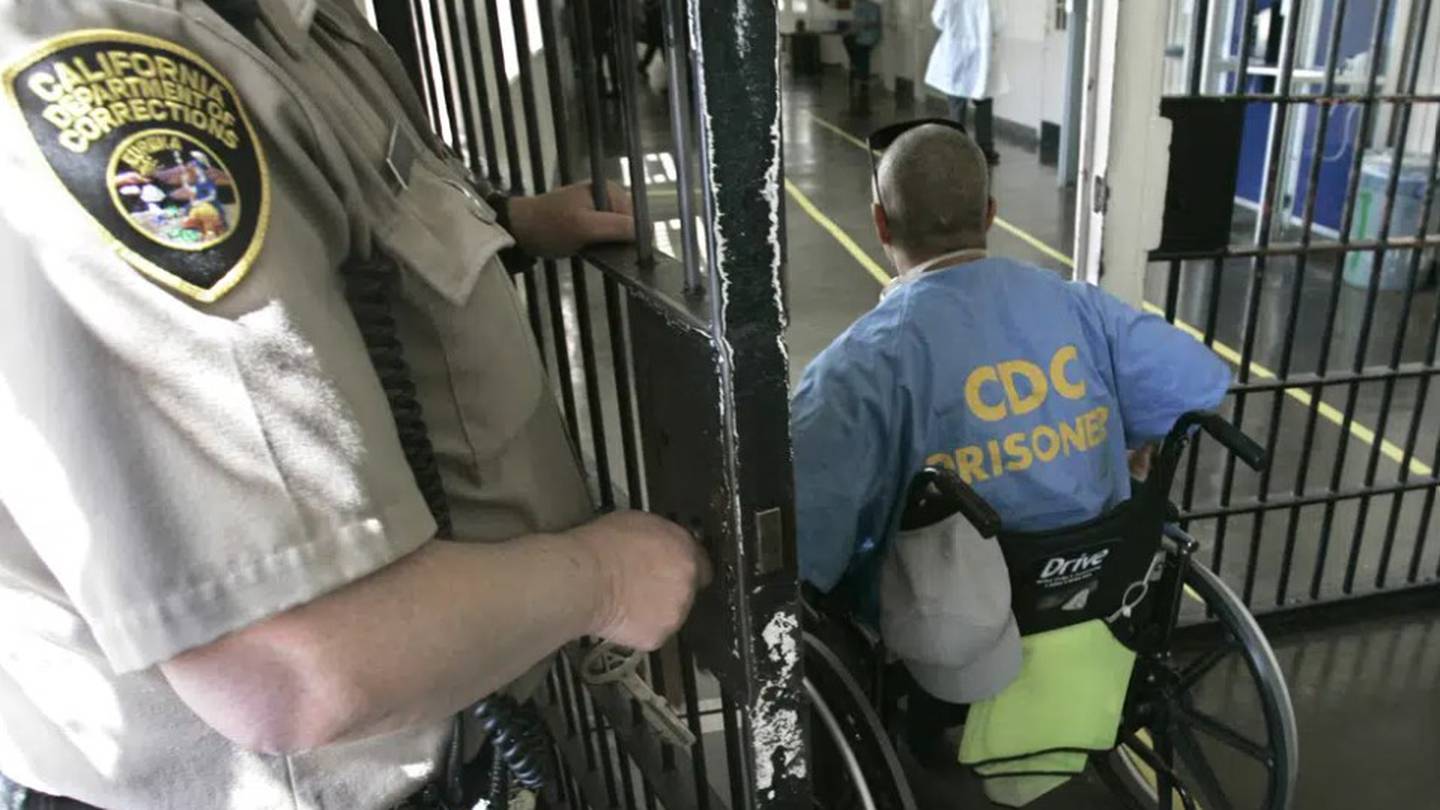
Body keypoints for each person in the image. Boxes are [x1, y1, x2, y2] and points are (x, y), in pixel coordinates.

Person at [0, 2, 709, 809]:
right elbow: (292, 670)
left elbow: (339, 253)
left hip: (443, 738)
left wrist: (511, 227)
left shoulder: (304, 26)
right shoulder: (117, 77)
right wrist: (604, 580)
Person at [791, 121, 1231, 634]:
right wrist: (1121, 431)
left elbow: (806, 541)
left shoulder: (857, 366)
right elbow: (1198, 382)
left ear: (881, 225)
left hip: (943, 626)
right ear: (991, 215)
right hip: (1094, 592)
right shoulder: (1078, 306)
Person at [925, 0, 1006, 165]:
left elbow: (937, 19)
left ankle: (957, 148)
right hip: (981, 54)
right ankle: (985, 149)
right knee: (983, 103)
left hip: (955, 52)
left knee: (957, 105)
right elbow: (1000, 23)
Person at [842, 0, 883, 114]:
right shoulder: (859, 6)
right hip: (863, 34)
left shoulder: (872, 7)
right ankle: (857, 66)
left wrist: (860, 26)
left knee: (861, 49)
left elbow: (872, 23)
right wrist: (851, 31)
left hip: (869, 36)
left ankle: (861, 74)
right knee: (848, 40)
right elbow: (856, 24)